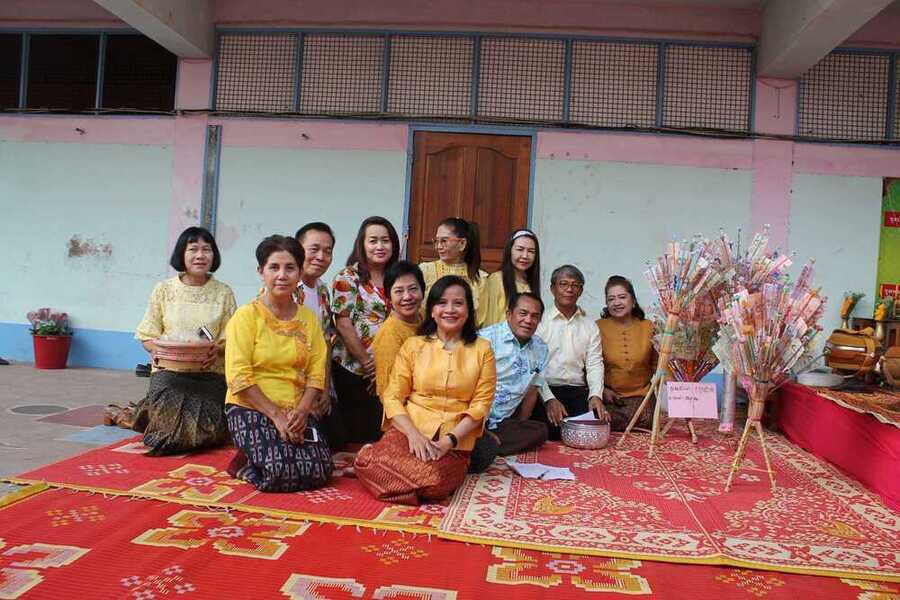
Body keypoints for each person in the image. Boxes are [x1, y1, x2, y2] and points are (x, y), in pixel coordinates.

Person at [355, 276, 496, 505]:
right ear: (431, 310)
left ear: (468, 310)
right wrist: (413, 435)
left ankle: (390, 482)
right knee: (371, 462)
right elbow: (393, 396)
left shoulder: (483, 349)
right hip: (409, 430)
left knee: (435, 480)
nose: (449, 310)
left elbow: (481, 405)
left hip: (454, 438)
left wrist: (448, 441)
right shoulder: (414, 346)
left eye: (458, 303)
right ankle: (402, 483)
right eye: (442, 303)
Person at [224, 235, 332, 492]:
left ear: (300, 272)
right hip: (251, 407)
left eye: (290, 268)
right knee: (280, 472)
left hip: (296, 408)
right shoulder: (246, 317)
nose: (282, 275)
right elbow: (238, 377)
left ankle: (256, 455)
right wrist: (275, 415)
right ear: (261, 272)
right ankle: (242, 462)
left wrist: (302, 411)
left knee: (320, 469)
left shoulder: (308, 319)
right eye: (274, 267)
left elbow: (316, 373)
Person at [133, 226, 236, 456]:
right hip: (169, 374)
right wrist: (160, 352)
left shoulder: (224, 292)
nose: (200, 255)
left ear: (214, 255)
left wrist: (218, 350)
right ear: (181, 253)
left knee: (211, 434)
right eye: (193, 249)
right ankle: (148, 413)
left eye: (206, 249)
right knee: (166, 438)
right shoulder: (163, 290)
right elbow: (147, 335)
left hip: (210, 375)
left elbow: (231, 337)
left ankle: (144, 413)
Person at [331, 216, 399, 444]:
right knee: (356, 435)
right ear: (362, 244)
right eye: (373, 241)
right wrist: (368, 363)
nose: (380, 246)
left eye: (385, 240)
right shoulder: (348, 277)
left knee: (381, 434)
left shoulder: (397, 277)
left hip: (388, 370)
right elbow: (343, 322)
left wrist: (383, 366)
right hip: (354, 369)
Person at [471, 292, 548, 472]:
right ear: (509, 314)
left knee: (541, 431)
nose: (528, 320)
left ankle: (487, 443)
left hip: (502, 421)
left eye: (534, 316)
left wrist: (519, 424)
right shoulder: (485, 339)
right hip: (474, 417)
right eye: (523, 313)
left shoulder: (541, 348)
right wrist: (479, 425)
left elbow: (532, 390)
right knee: (479, 446)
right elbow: (467, 384)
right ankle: (481, 440)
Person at [533, 265, 607, 440]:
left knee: (592, 431)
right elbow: (534, 367)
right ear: (552, 288)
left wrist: (595, 395)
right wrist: (549, 399)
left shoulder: (590, 325)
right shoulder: (540, 322)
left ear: (581, 291)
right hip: (545, 389)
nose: (569, 289)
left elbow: (595, 363)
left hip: (578, 391)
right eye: (563, 284)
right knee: (548, 432)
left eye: (575, 285)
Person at [295, 222, 343, 450]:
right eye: (314, 249)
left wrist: (323, 388)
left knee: (337, 440)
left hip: (318, 380)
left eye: (327, 251)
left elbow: (326, 343)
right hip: (289, 383)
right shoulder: (285, 289)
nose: (321, 257)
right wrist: (306, 396)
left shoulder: (323, 291)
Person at [596, 275, 657, 431]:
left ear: (633, 300)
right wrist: (602, 390)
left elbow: (658, 364)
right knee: (600, 417)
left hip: (641, 396)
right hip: (609, 396)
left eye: (622, 297)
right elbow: (587, 364)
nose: (617, 303)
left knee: (648, 419)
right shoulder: (596, 327)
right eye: (611, 299)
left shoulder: (649, 327)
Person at [372, 261, 425, 397]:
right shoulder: (389, 333)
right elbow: (389, 391)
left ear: (423, 291)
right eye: (399, 291)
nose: (407, 297)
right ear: (389, 298)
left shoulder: (425, 316)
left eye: (413, 289)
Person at [419, 217, 486, 313]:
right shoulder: (425, 271)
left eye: (444, 241)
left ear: (462, 244)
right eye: (436, 241)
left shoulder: (480, 279)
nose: (439, 247)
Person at [480, 229, 541, 327]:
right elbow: (490, 320)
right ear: (510, 251)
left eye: (531, 251)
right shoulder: (496, 279)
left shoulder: (531, 284)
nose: (525, 256)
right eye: (520, 249)